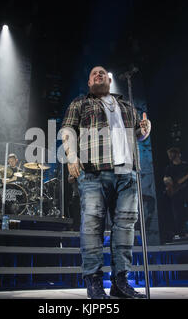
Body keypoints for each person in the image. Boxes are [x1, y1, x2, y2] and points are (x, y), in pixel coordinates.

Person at [60, 66, 151, 299]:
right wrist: (71, 155)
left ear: (109, 80)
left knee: (125, 227)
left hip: (127, 173)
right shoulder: (80, 103)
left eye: (102, 73)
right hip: (93, 172)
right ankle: (94, 283)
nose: (98, 75)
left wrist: (144, 132)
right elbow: (67, 129)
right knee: (92, 227)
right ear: (89, 82)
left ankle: (120, 282)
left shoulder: (127, 106)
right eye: (93, 73)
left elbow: (136, 135)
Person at [163, 147, 188, 241]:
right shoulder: (169, 168)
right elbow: (165, 178)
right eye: (169, 155)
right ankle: (181, 233)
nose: (170, 156)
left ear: (178, 154)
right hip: (176, 193)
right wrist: (168, 182)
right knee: (178, 213)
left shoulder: (187, 165)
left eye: (172, 154)